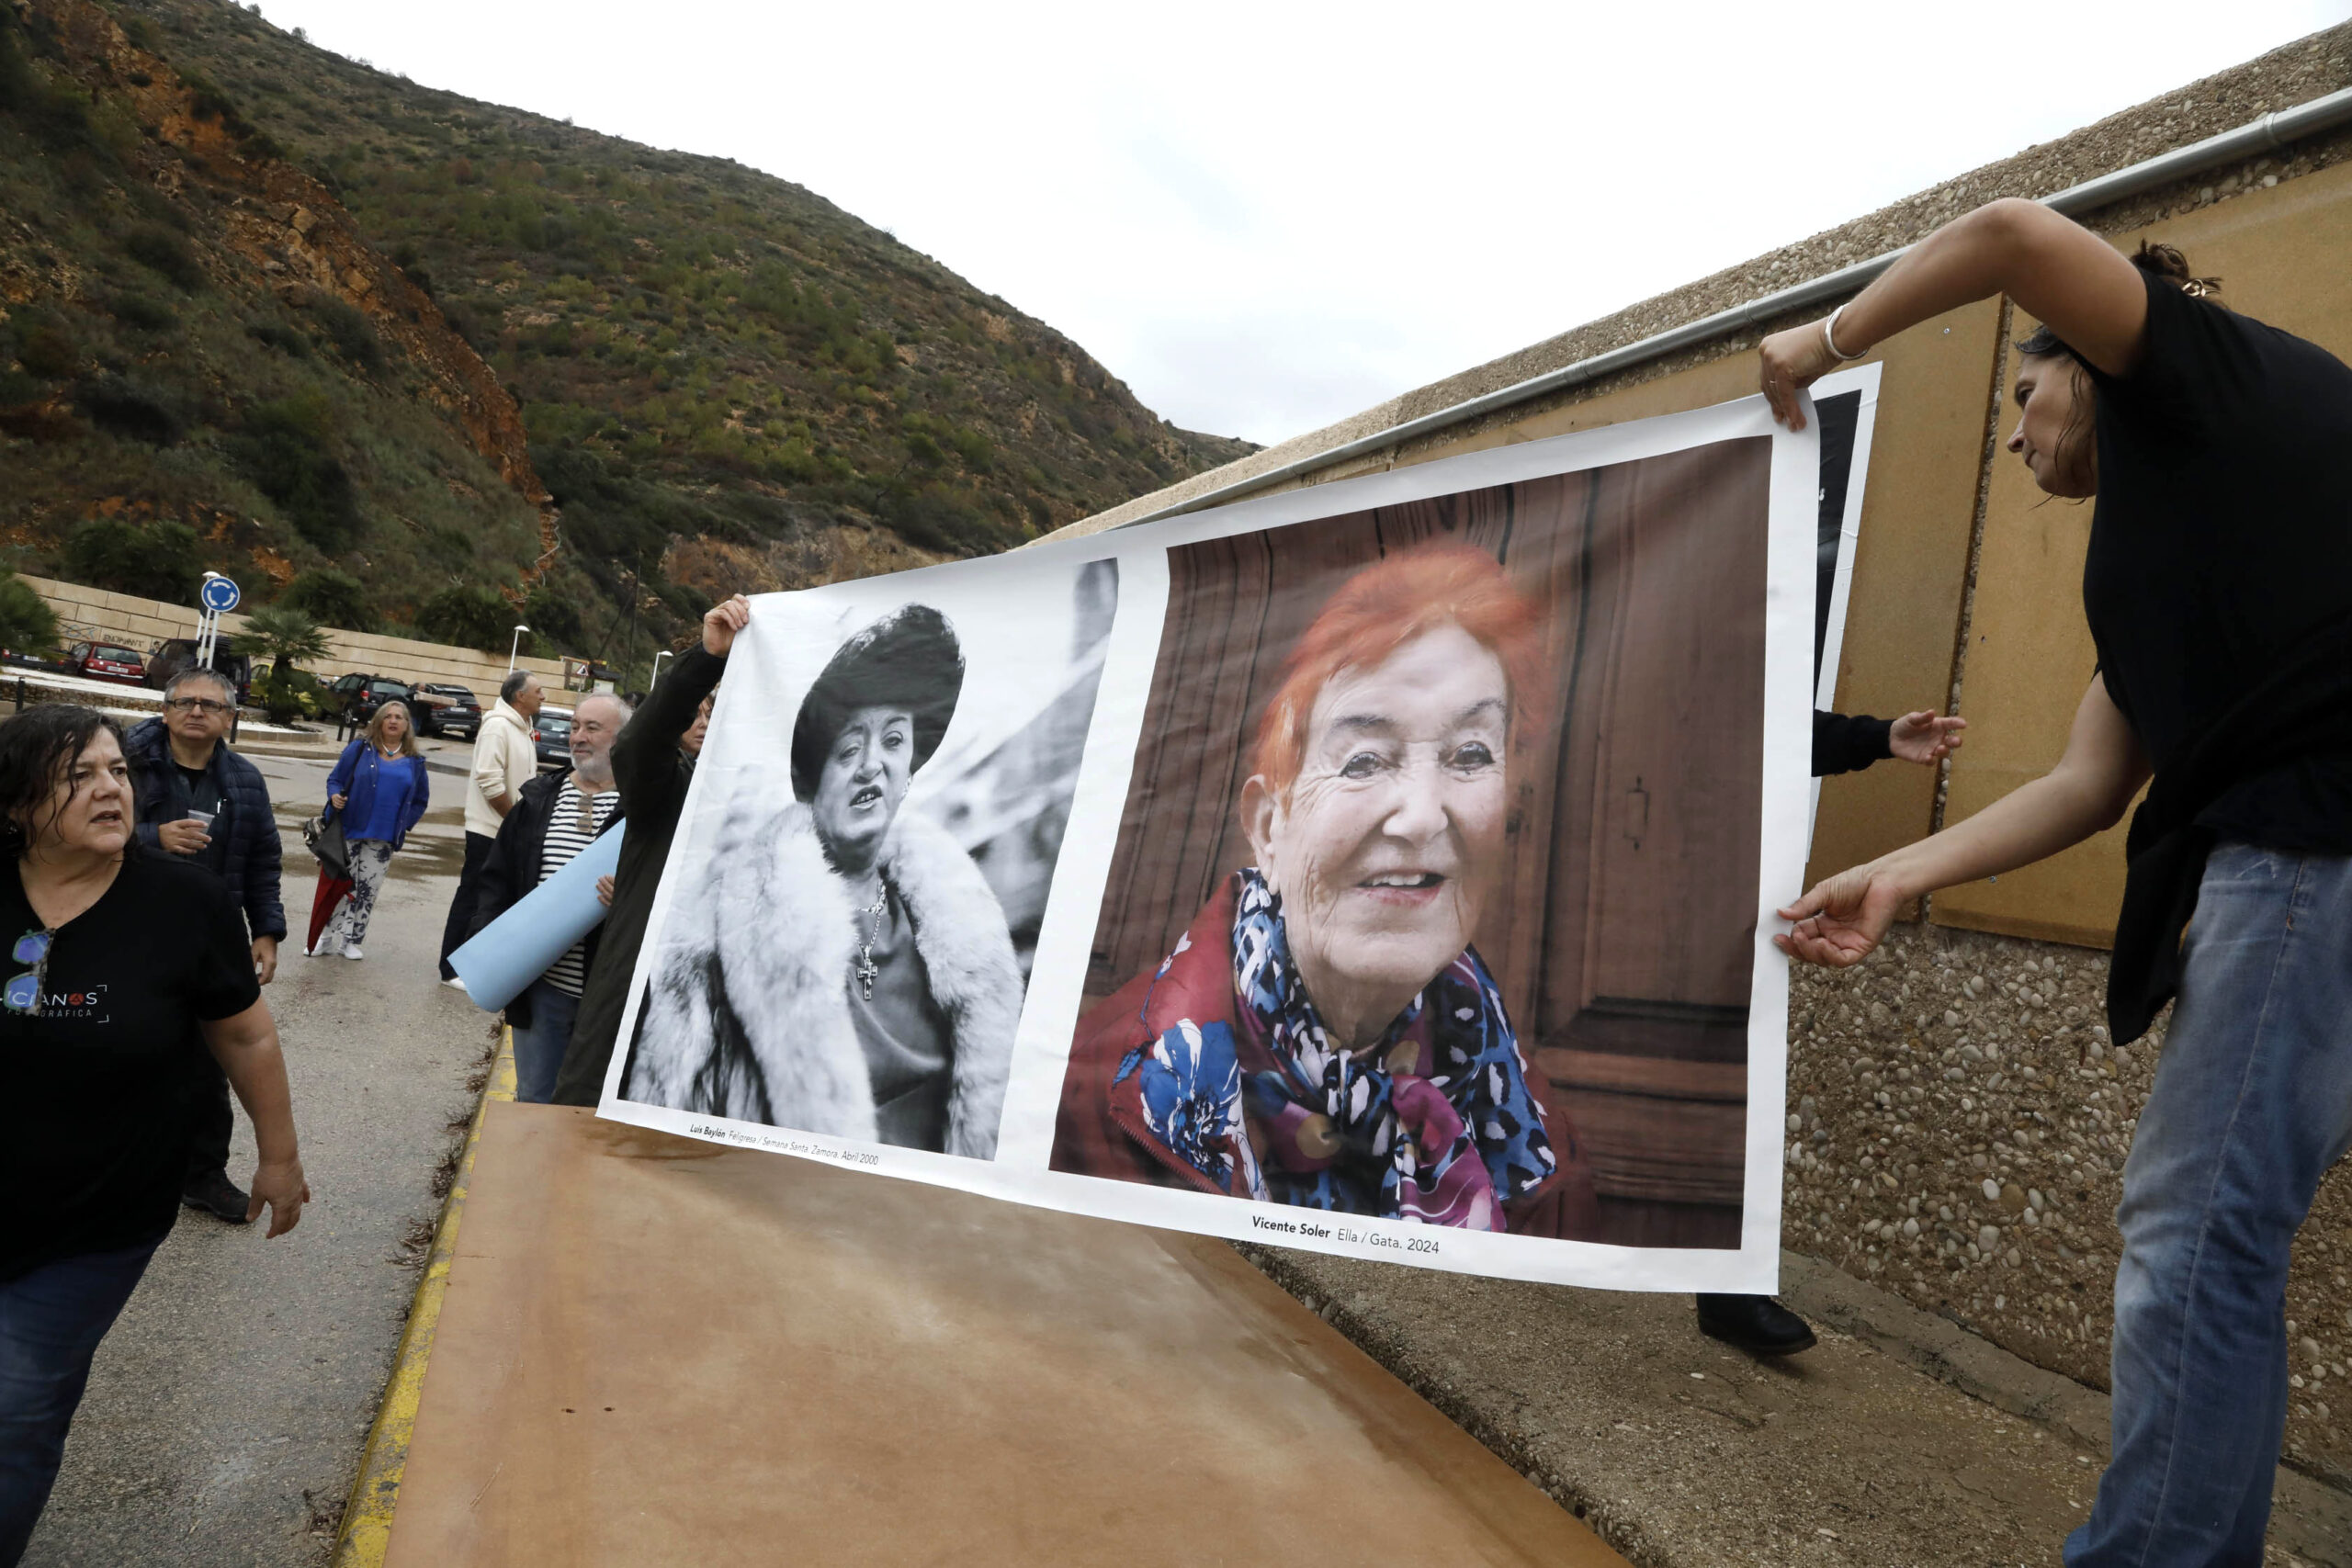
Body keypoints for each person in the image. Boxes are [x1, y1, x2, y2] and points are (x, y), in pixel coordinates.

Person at [1761, 201, 2352, 1567]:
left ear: (2082, 360)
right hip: (2303, 857)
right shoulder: (2173, 541)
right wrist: (1898, 869)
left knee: (2195, 1234)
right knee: (2216, 1237)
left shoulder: (2195, 377)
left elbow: (2017, 233)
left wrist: (1824, 338)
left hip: (2316, 853)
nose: (2017, 431)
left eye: (2022, 395)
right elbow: (2088, 781)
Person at [1053, 546, 1602, 1236]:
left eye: (1470, 755)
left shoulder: (1533, 1134)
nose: (1423, 815)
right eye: (1364, 759)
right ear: (1269, 829)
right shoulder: (1096, 1100)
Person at [0, 706, 308, 1565]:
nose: (111, 789)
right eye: (79, 776)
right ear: (19, 802)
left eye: (118, 772)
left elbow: (245, 1034)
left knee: (16, 1406)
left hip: (93, 1217)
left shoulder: (186, 904)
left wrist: (278, 1157)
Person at [625, 604, 1023, 1160]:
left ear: (910, 770)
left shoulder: (961, 920)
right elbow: (663, 1100)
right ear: (814, 776)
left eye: (892, 742)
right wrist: (706, 660)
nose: (871, 767)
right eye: (849, 746)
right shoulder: (724, 915)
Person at [1699, 705, 1969, 1356]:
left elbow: (1741, 721)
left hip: (1700, 862)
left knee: (1724, 1066)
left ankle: (1726, 1283)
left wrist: (1877, 737)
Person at [551, 597, 745, 1108]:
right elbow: (640, 742)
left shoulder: (764, 804)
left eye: (717, 711)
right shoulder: (664, 785)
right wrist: (706, 660)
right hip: (632, 1013)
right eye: (698, 711)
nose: (705, 721)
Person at [121, 667, 287, 1226]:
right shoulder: (125, 764)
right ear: (165, 710)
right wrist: (152, 837)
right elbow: (74, 829)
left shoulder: (243, 779)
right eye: (185, 701)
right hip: (129, 931)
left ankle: (204, 1176)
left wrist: (265, 930)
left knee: (212, 1064)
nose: (196, 711)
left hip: (208, 941)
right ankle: (120, 1171)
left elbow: (263, 857)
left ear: (229, 718)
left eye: (210, 705)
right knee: (125, 1053)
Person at [469, 692, 629, 1104]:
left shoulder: (643, 808)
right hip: (544, 991)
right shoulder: (539, 800)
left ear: (622, 738)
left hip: (607, 996)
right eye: (575, 726)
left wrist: (630, 899)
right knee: (536, 1103)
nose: (578, 736)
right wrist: (492, 954)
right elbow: (496, 881)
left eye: (592, 728)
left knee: (589, 1113)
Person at [440, 669, 541, 988]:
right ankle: (450, 969)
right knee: (471, 896)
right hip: (488, 829)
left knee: (495, 900)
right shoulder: (497, 727)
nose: (543, 696)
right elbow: (488, 779)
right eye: (537, 691)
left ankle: (474, 964)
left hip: (506, 830)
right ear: (519, 696)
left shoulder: (523, 728)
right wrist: (513, 820)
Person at [309, 701, 431, 960]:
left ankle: (351, 941)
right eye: (388, 716)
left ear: (407, 725)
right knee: (338, 886)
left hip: (383, 839)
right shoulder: (360, 749)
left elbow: (420, 799)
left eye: (399, 717)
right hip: (349, 830)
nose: (393, 721)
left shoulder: (415, 762)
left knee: (367, 891)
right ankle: (324, 937)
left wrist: (403, 823)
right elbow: (335, 779)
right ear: (379, 721)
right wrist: (334, 797)